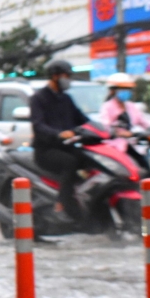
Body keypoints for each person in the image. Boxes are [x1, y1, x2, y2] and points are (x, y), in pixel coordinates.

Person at [30, 58, 91, 219]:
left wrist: (103, 129)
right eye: (66, 76)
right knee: (69, 162)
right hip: (46, 150)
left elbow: (83, 119)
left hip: (67, 146)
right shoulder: (38, 98)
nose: (68, 80)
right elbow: (38, 125)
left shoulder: (66, 99)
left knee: (89, 158)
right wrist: (58, 133)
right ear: (55, 76)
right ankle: (61, 202)